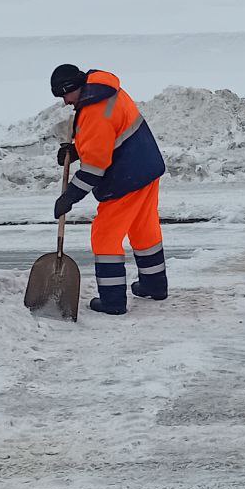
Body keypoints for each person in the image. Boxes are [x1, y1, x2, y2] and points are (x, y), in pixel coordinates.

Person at [50, 64, 167, 314]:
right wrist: (77, 151)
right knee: (144, 228)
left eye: (64, 95)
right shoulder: (104, 89)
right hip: (146, 167)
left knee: (105, 236)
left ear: (74, 88)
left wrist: (69, 197)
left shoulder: (94, 111)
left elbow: (95, 168)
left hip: (126, 178)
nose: (64, 102)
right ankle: (154, 284)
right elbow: (108, 139)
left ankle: (112, 301)